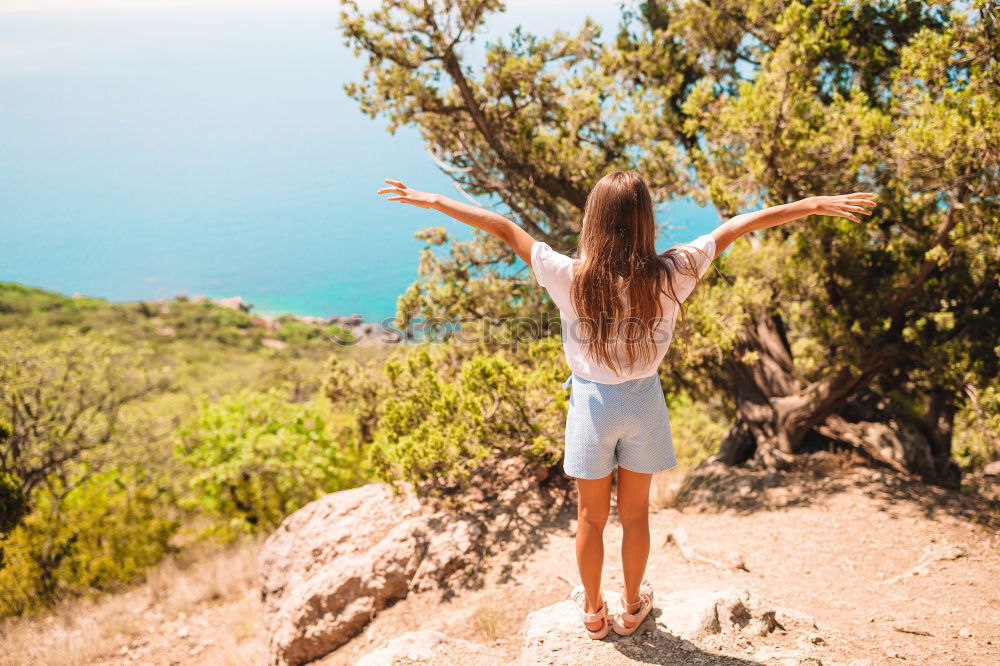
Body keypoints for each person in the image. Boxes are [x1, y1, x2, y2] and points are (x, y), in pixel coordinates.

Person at [377, 171, 875, 638]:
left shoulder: (569, 276)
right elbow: (736, 226)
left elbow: (506, 228)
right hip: (644, 402)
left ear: (593, 219)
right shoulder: (674, 272)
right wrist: (810, 205)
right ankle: (633, 605)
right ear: (646, 220)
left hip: (592, 405)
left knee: (591, 518)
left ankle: (594, 612)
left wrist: (432, 199)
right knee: (636, 516)